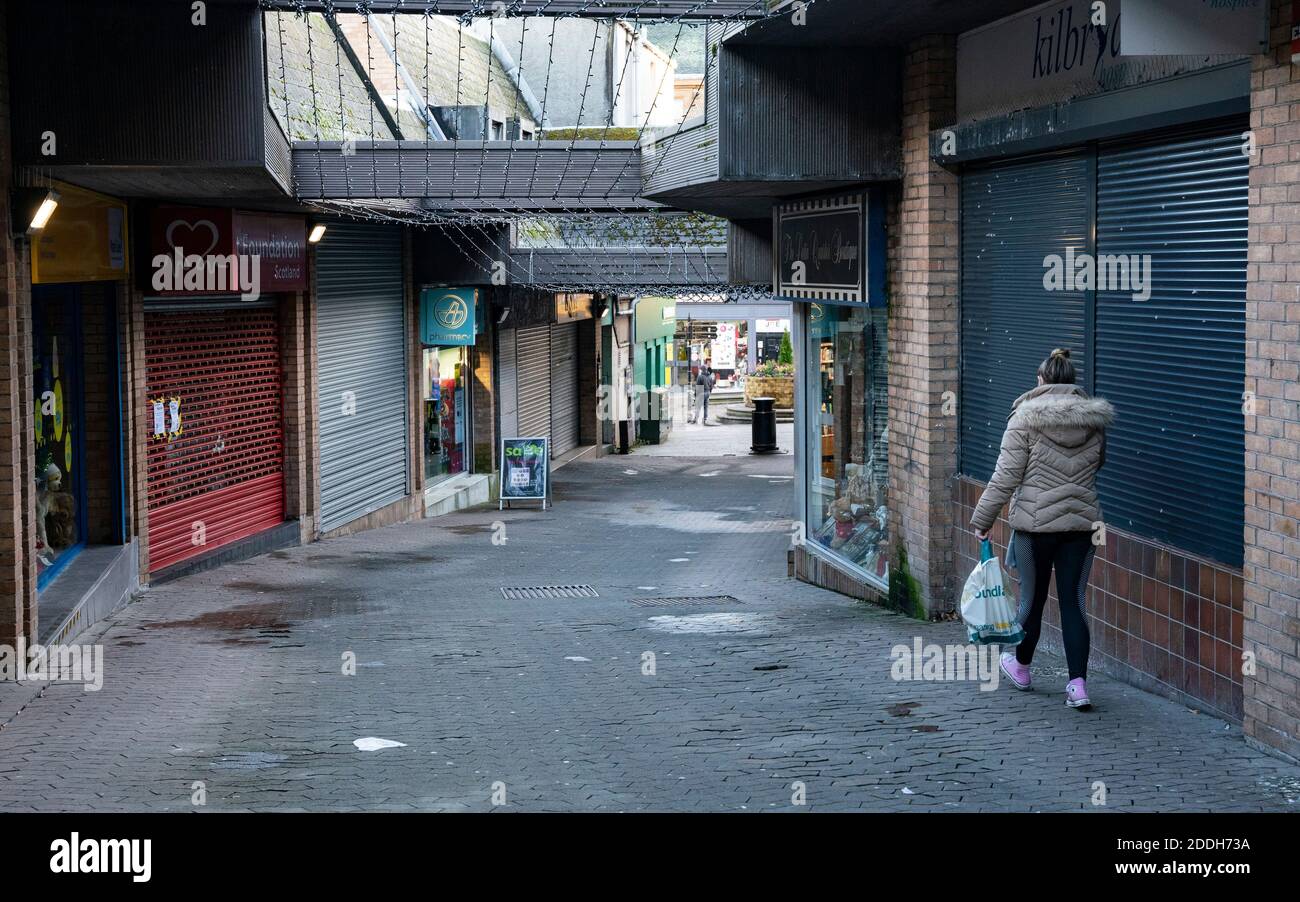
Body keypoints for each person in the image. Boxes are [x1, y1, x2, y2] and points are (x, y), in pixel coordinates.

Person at [970, 348, 1114, 710]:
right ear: (1071, 381)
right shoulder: (1093, 421)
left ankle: (1020, 667)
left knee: (1032, 600)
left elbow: (1006, 477)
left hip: (1035, 528)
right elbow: (1098, 463)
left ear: (1041, 381)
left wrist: (982, 520)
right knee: (1074, 602)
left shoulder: (1024, 418)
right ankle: (1078, 686)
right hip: (1083, 525)